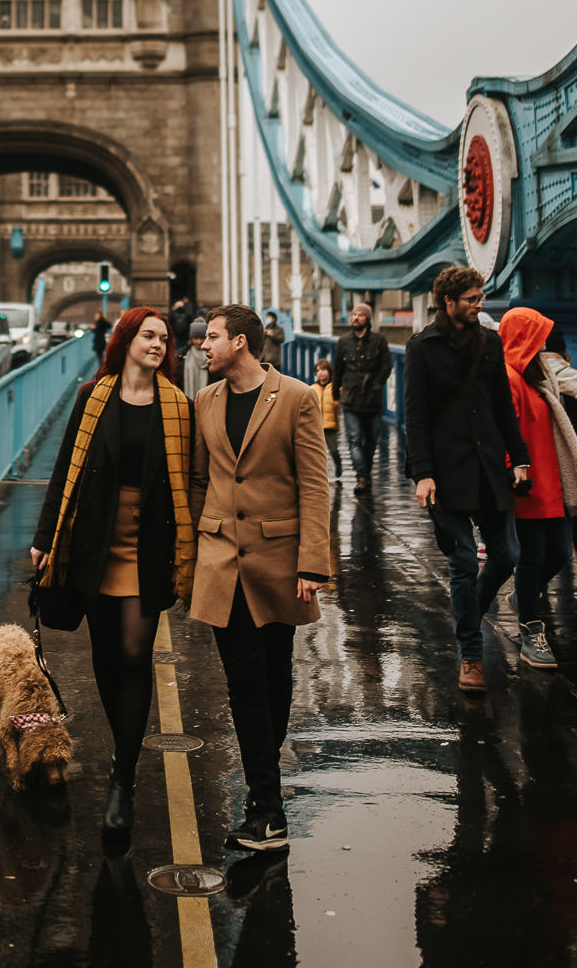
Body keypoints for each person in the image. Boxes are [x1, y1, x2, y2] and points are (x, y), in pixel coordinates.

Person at [30, 307, 195, 843]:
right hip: (94, 542)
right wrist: (44, 538)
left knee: (133, 652)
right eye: (148, 335)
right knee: (104, 654)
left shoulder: (178, 405)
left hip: (149, 545)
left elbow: (188, 480)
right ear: (125, 341)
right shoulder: (92, 397)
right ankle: (123, 758)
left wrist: (184, 555)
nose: (158, 344)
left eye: (164, 338)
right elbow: (65, 470)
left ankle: (123, 777)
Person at [192, 304, 330, 850]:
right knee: (245, 684)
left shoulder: (297, 397)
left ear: (241, 343)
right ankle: (268, 809)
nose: (203, 345)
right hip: (222, 562)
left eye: (212, 337)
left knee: (275, 680)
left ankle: (262, 796)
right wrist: (192, 556)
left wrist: (313, 562)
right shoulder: (205, 400)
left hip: (279, 561)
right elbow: (199, 480)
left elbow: (314, 484)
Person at [404, 266, 530, 694]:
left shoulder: (491, 343)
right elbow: (415, 416)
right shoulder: (421, 347)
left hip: (489, 465)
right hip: (446, 471)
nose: (479, 305)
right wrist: (423, 473)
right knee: (461, 563)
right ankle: (471, 656)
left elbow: (503, 406)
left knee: (507, 555)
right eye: (472, 299)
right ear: (449, 302)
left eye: (480, 298)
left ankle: (468, 612)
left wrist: (520, 458)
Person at [497, 308, 577, 669]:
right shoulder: (508, 378)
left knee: (559, 553)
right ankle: (531, 631)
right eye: (538, 337)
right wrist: (511, 469)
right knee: (532, 557)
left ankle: (522, 597)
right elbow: (503, 429)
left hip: (554, 481)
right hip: (527, 483)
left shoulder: (543, 377)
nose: (543, 344)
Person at [542, 322, 577, 577]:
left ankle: (540, 577)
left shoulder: (531, 373)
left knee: (544, 506)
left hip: (541, 446)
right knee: (574, 499)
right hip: (569, 444)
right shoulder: (569, 374)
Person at [332, 304, 392, 495]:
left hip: (372, 399)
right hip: (350, 398)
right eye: (354, 314)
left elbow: (387, 366)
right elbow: (337, 371)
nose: (356, 318)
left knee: (372, 440)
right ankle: (362, 477)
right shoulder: (343, 342)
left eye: (360, 315)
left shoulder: (379, 341)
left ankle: (365, 471)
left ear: (368, 319)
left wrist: (376, 385)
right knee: (355, 439)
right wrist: (335, 396)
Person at [312, 358, 342, 483]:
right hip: (316, 425)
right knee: (318, 452)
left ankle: (338, 464)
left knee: (333, 449)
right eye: (318, 371)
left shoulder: (335, 387)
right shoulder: (313, 388)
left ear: (330, 372)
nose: (321, 373)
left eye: (324, 370)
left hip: (331, 424)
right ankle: (320, 473)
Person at [182, 318, 209, 400]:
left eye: (202, 338)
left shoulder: (212, 355)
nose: (199, 342)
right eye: (196, 338)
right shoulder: (183, 354)